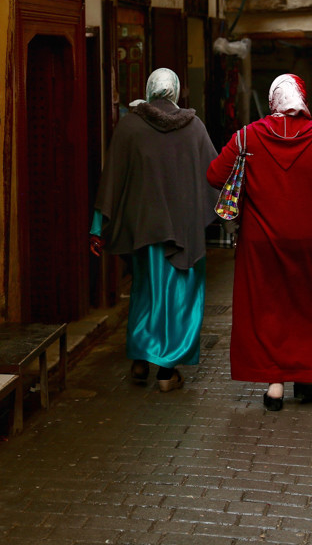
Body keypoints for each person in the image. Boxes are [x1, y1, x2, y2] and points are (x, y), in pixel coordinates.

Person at [206, 74, 312, 411]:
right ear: (301, 100)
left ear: (272, 101)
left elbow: (213, 174)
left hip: (260, 242)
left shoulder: (247, 137)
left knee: (267, 305)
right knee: (305, 305)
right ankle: (304, 378)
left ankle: (274, 386)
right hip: (310, 243)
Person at [90, 68, 219, 392]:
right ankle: (166, 371)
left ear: (149, 91)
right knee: (181, 298)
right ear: (175, 92)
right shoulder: (194, 127)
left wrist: (97, 227)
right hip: (185, 231)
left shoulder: (130, 125)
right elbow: (216, 175)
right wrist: (233, 217)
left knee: (145, 293)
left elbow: (112, 178)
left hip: (143, 230)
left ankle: (140, 357)